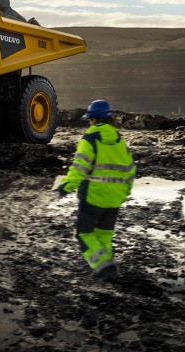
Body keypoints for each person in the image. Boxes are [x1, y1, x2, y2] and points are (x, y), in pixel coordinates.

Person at [57, 99, 136, 282]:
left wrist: (65, 187)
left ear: (93, 119)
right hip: (114, 199)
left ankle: (103, 267)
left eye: (89, 119)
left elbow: (79, 168)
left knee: (84, 234)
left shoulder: (90, 138)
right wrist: (123, 193)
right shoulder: (119, 140)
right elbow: (131, 170)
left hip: (93, 197)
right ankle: (108, 268)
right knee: (104, 235)